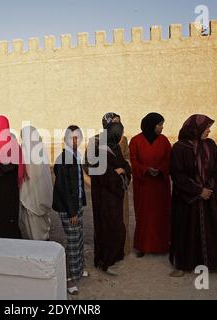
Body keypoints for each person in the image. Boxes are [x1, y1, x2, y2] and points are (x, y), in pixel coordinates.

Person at [169, 115, 217, 277]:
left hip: (208, 197)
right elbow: (177, 174)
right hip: (187, 199)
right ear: (196, 129)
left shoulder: (211, 145)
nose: (209, 131)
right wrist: (198, 191)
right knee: (185, 231)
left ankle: (216, 264)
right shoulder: (180, 148)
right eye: (206, 128)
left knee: (212, 230)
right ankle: (182, 265)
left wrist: (209, 189)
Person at [85, 112, 132, 255]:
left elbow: (126, 159)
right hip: (103, 188)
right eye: (114, 122)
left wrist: (124, 173)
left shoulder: (122, 140)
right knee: (104, 220)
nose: (117, 125)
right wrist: (103, 178)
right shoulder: (96, 141)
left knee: (121, 218)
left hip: (119, 187)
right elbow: (88, 165)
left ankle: (122, 250)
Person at [129, 113, 171, 257]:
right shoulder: (135, 141)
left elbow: (169, 159)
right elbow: (133, 161)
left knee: (161, 215)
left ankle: (161, 246)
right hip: (144, 186)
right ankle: (143, 246)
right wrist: (146, 170)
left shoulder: (164, 141)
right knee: (144, 216)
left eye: (162, 124)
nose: (161, 127)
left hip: (160, 186)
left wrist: (159, 169)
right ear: (151, 125)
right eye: (159, 124)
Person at [53, 125, 88, 295]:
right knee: (72, 244)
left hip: (77, 204)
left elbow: (78, 184)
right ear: (65, 139)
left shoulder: (75, 156)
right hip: (69, 209)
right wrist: (72, 212)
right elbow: (63, 188)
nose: (75, 141)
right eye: (71, 138)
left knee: (79, 239)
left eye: (77, 137)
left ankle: (79, 270)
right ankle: (69, 279)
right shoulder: (63, 159)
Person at [19, 125, 52, 240]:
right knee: (41, 225)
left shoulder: (23, 151)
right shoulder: (41, 150)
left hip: (29, 197)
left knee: (32, 229)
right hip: (42, 196)